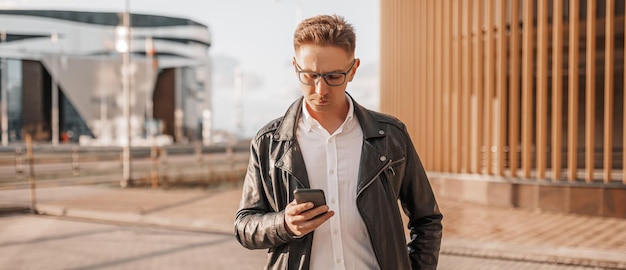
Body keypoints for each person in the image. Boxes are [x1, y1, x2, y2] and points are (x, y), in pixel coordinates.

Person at [234, 14, 443, 270]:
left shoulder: (392, 136)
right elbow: (245, 226)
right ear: (295, 67)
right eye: (310, 76)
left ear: (353, 70)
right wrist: (284, 224)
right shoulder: (268, 142)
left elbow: (427, 219)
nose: (320, 90)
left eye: (333, 76)